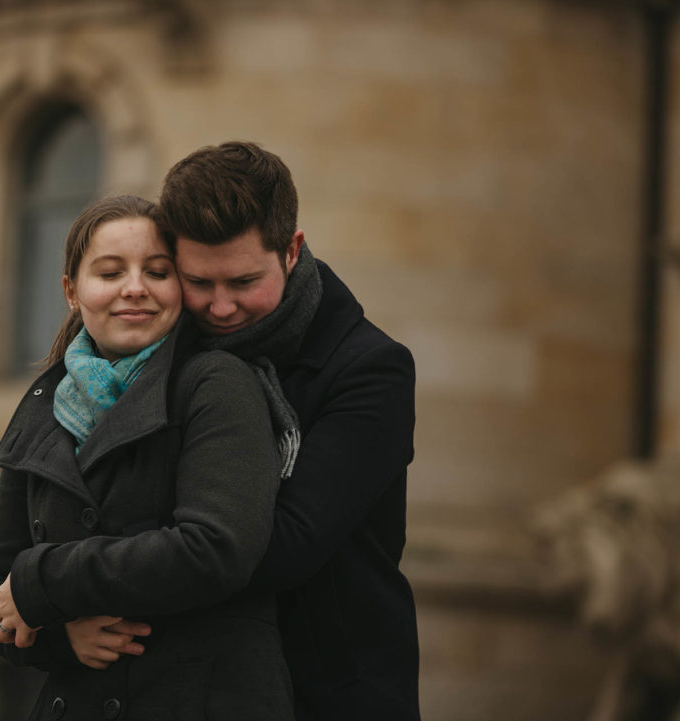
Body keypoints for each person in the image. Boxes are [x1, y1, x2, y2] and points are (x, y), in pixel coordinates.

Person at [0, 195, 293, 721]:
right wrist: (63, 643)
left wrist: (47, 581)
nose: (135, 287)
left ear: (179, 287)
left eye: (157, 272)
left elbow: (216, 548)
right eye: (111, 272)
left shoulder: (215, 383)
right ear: (72, 291)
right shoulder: (48, 402)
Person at [156, 142, 421, 721]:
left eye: (244, 281)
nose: (220, 308)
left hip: (327, 697)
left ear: (292, 250)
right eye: (199, 282)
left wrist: (81, 580)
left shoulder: (370, 368)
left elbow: (283, 547)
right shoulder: (159, 351)